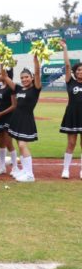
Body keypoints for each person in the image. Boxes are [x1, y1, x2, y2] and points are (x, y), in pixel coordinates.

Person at [3, 54, 42, 182]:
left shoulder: (35, 89)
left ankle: (30, 175)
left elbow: (37, 72)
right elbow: (5, 77)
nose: (24, 79)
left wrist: (35, 60)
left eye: (26, 77)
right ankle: (25, 170)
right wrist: (2, 61)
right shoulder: (18, 88)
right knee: (20, 145)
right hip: (16, 119)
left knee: (22, 145)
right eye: (22, 78)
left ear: (31, 78)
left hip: (26, 119)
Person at [60, 40, 82, 179]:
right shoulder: (70, 81)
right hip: (72, 114)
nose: (80, 71)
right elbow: (67, 65)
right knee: (71, 143)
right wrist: (65, 48)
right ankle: (66, 169)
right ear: (75, 72)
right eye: (78, 70)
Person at [0, 65, 16, 176]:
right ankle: (2, 166)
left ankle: (15, 168)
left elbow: (14, 105)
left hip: (8, 117)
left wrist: (0, 113)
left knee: (9, 143)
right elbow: (0, 103)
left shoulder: (11, 87)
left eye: (0, 73)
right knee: (1, 143)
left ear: (6, 74)